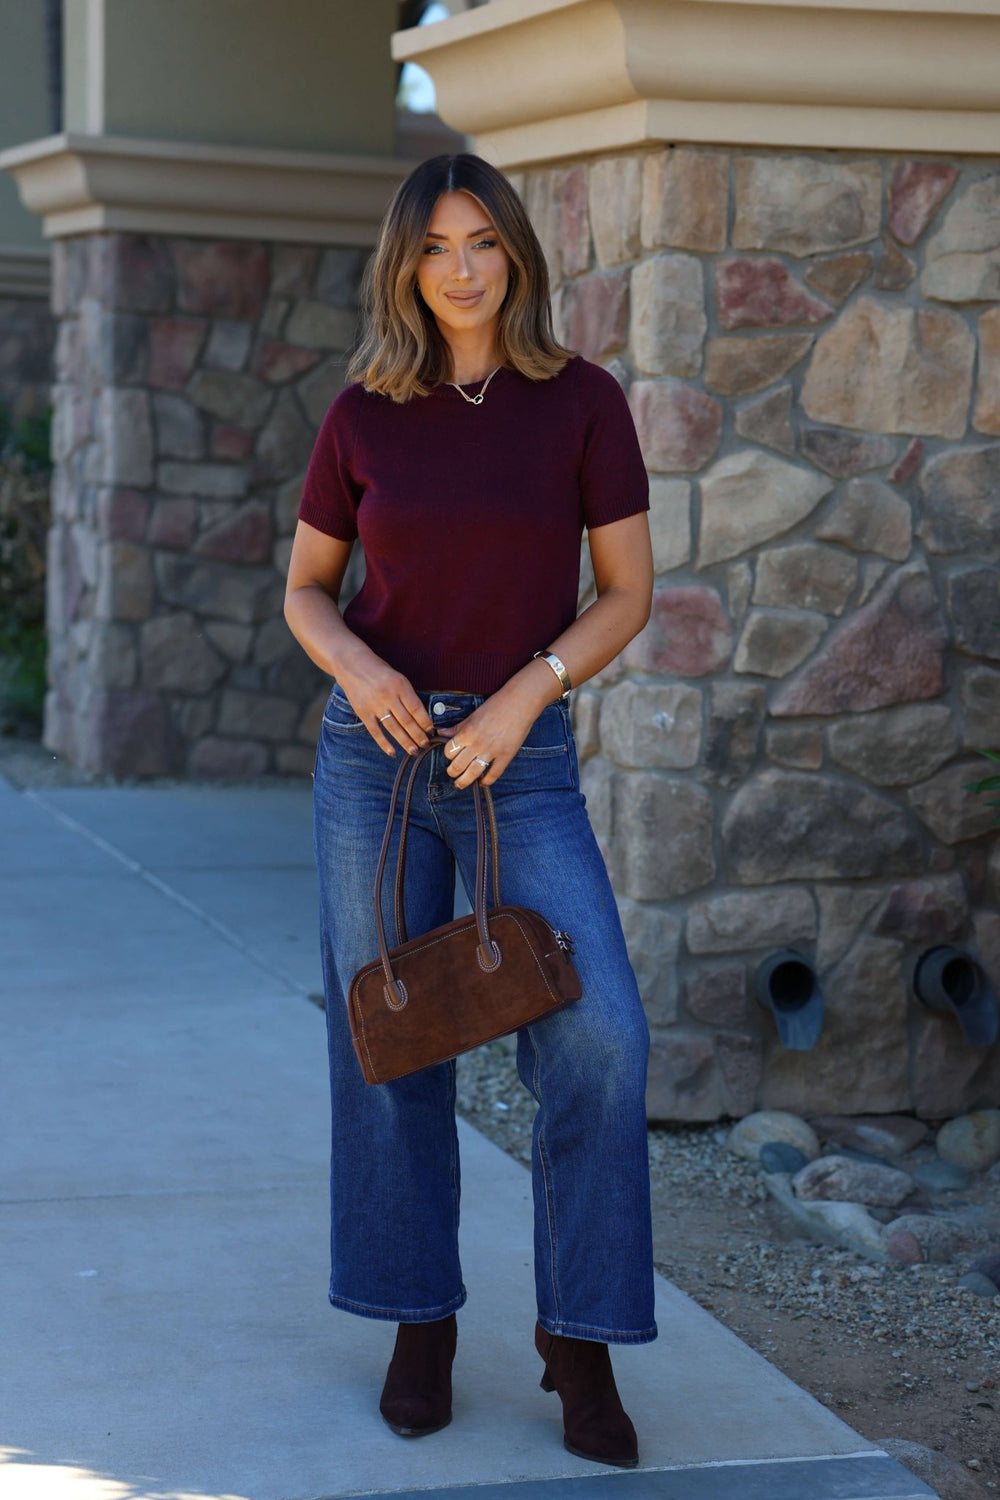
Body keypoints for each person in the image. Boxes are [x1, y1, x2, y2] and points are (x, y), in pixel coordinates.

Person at [283, 153, 656, 1470]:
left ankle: (582, 1339)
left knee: (602, 1036)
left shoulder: (582, 404)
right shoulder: (364, 414)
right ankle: (417, 1323)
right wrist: (365, 668)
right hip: (372, 768)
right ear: (406, 264)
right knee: (390, 1043)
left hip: (521, 762)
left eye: (483, 241)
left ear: (517, 256)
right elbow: (308, 590)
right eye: (435, 245)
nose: (460, 267)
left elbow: (623, 592)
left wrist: (523, 695)